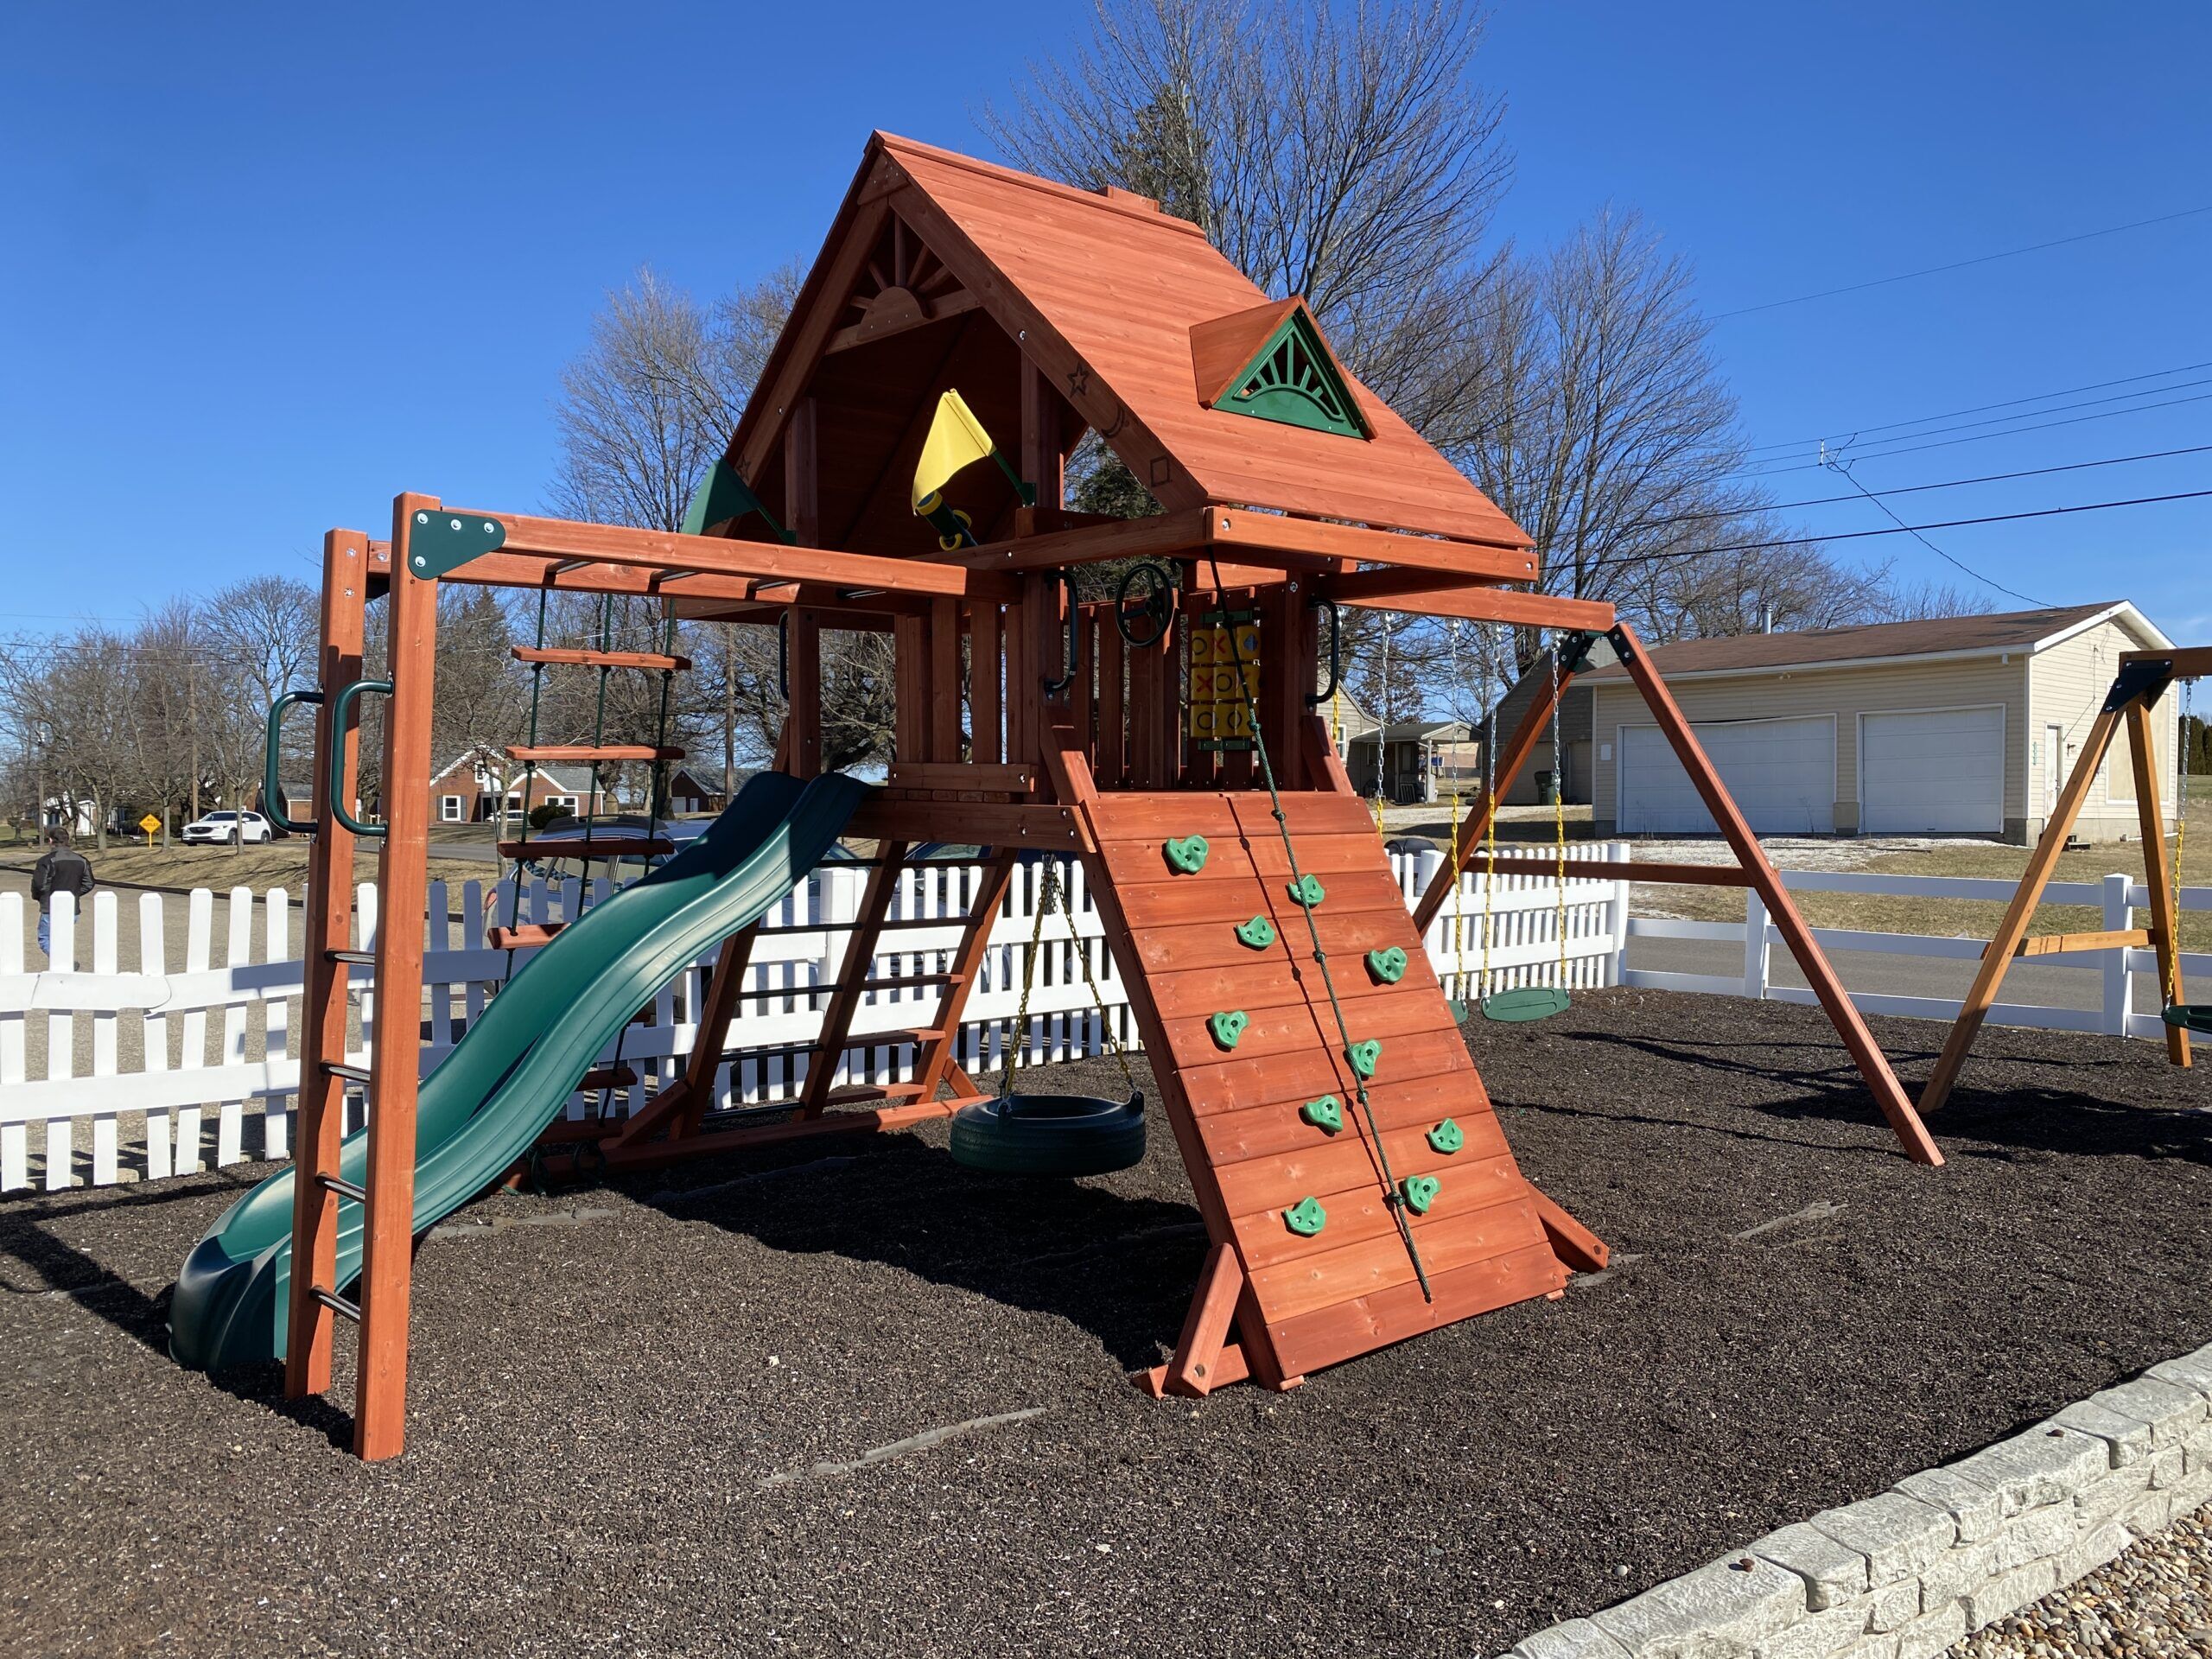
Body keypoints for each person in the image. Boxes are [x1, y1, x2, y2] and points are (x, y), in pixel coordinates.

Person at [30, 828, 94, 959]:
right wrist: (74, 893)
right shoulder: (82, 860)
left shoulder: (46, 861)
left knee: (45, 939)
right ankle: (63, 966)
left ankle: (62, 961)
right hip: (72, 907)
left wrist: (38, 897)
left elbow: (39, 885)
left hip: (50, 907)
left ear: (50, 841)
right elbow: (89, 883)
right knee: (63, 938)